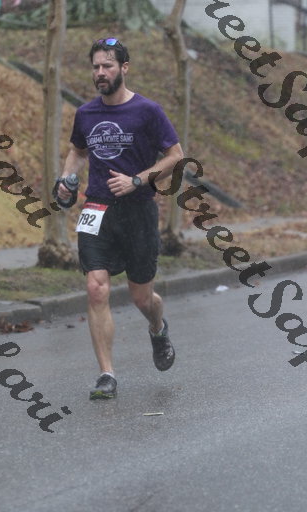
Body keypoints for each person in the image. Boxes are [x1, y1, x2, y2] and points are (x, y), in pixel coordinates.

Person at [59, 38, 183, 399]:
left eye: (107, 66)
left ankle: (158, 328)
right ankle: (107, 375)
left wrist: (137, 180)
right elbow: (77, 151)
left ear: (124, 68)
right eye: (96, 66)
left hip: (138, 210)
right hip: (96, 209)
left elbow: (175, 156)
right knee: (96, 288)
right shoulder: (86, 113)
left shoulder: (148, 111)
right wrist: (65, 180)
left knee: (142, 298)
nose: (100, 72)